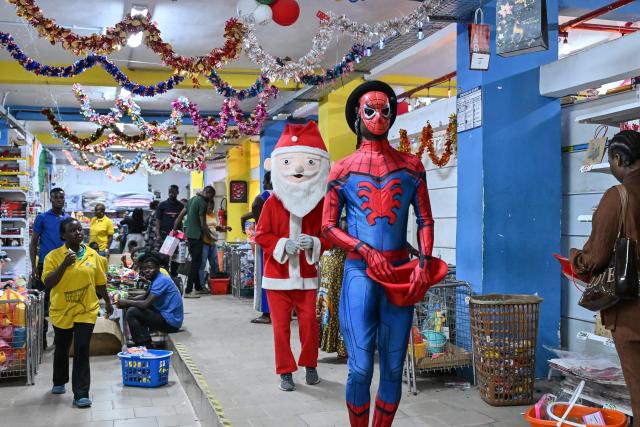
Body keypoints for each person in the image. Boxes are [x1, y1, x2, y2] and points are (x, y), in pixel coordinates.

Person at [321, 81, 436, 426]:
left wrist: (425, 264)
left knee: (392, 369)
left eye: (385, 110)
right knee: (358, 370)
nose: (378, 117)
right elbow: (327, 228)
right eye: (370, 110)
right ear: (357, 114)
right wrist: (362, 248)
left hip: (400, 275)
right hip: (359, 273)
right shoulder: (342, 169)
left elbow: (426, 219)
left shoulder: (412, 165)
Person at [570, 130, 640, 426]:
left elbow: (595, 257)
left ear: (618, 158)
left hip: (631, 311)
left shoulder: (619, 196)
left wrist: (575, 260)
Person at [255, 120, 330, 392]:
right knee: (280, 328)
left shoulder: (318, 204)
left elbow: (328, 237)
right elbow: (261, 235)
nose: (298, 170)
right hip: (277, 278)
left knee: (310, 324)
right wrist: (282, 244)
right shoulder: (271, 203)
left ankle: (310, 364)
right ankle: (285, 371)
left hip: (307, 278)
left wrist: (314, 242)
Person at [42, 218, 113, 408]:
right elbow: (48, 283)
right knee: (62, 347)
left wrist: (107, 301)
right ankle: (59, 380)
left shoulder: (92, 255)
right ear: (62, 235)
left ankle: (81, 393)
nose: (78, 233)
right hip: (61, 310)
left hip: (86, 309)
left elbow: (100, 282)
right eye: (72, 231)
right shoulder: (53, 256)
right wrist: (64, 264)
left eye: (80, 229)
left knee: (82, 349)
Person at [30, 187, 69, 349]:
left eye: (61, 197)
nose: (59, 200)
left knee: (63, 303)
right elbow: (33, 243)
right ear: (51, 199)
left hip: (65, 266)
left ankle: (62, 341)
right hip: (45, 267)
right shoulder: (42, 218)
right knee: (43, 306)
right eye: (56, 197)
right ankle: (42, 341)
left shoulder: (67, 219)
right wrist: (34, 268)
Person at [116, 252, 183, 347]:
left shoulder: (161, 280)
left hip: (171, 322)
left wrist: (126, 302)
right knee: (132, 307)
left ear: (158, 268)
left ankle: (144, 345)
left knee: (132, 312)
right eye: (144, 268)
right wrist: (127, 299)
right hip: (164, 315)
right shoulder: (155, 278)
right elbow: (144, 296)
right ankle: (143, 340)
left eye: (150, 268)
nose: (147, 271)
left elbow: (145, 303)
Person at [242, 172, 273, 324]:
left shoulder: (262, 198)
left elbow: (256, 207)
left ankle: (266, 313)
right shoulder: (288, 196)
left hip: (266, 242)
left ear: (267, 182)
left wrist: (255, 222)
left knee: (264, 277)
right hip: (284, 242)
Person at [174, 186, 216, 298]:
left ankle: (198, 287)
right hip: (197, 236)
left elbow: (180, 216)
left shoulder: (192, 199)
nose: (210, 199)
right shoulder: (202, 202)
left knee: (195, 262)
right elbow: (203, 224)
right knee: (195, 264)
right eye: (211, 196)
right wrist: (210, 238)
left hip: (189, 235)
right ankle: (188, 291)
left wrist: (174, 229)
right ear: (207, 192)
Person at [317, 218, 348, 359]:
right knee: (339, 303)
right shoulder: (344, 215)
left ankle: (328, 343)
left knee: (328, 302)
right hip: (338, 260)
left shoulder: (327, 211)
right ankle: (342, 348)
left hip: (329, 259)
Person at [200, 200, 231, 286]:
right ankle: (201, 285)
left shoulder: (212, 215)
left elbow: (214, 227)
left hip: (213, 242)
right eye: (209, 207)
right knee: (202, 264)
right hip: (205, 243)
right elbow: (204, 229)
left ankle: (213, 283)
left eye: (212, 207)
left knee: (215, 263)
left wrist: (224, 228)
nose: (211, 209)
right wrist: (210, 240)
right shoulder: (202, 216)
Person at [156, 185, 184, 277]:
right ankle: (165, 275)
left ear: (177, 192)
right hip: (165, 235)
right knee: (164, 257)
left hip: (177, 235)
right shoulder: (162, 205)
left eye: (174, 192)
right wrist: (158, 234)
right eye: (170, 192)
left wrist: (183, 235)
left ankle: (174, 276)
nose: (171, 194)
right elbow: (158, 221)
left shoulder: (180, 206)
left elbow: (182, 221)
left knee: (175, 257)